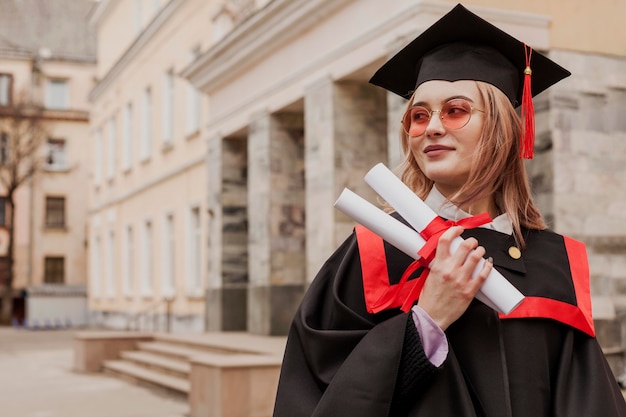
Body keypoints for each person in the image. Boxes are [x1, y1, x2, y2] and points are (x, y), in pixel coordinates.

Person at [272, 4, 626, 417]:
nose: (433, 127)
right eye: (419, 116)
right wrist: (427, 319)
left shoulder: (553, 262)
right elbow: (317, 393)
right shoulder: (374, 252)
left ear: (501, 128)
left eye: (455, 111)